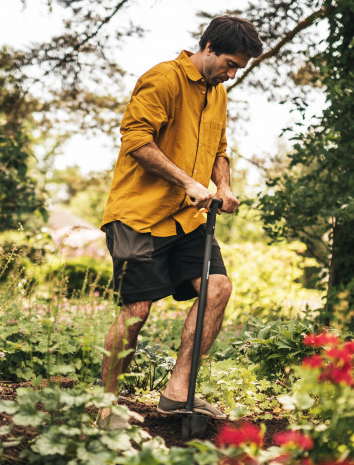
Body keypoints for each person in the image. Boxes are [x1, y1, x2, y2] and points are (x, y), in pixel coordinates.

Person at [97, 15, 263, 429]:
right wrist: (188, 181)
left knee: (217, 288)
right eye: (229, 64)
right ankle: (106, 406)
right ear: (208, 48)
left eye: (238, 68)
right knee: (136, 309)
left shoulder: (217, 93)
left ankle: (176, 391)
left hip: (186, 218)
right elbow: (136, 141)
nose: (232, 74)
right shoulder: (163, 79)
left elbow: (219, 148)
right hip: (138, 216)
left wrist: (223, 185)